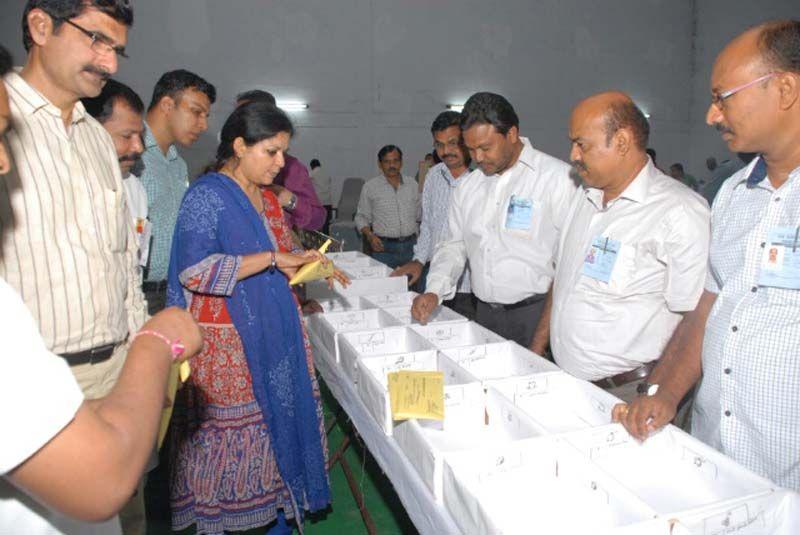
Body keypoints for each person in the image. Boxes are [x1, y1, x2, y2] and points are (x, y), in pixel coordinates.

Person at [618, 19, 800, 492]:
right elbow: (709, 307)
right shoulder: (733, 194)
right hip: (716, 458)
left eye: (724, 97)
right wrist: (663, 392)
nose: (711, 116)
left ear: (784, 89)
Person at [167, 101, 342, 534]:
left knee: (273, 434)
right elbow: (195, 270)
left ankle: (274, 515)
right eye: (272, 152)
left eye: (284, 152)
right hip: (229, 350)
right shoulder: (207, 195)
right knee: (236, 444)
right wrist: (269, 258)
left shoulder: (265, 198)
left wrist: (308, 263)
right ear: (240, 146)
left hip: (275, 333)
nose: (281, 164)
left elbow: (283, 256)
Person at [1, 0, 148, 400]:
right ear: (41, 26)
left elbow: (123, 259)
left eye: (116, 50)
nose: (110, 64)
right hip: (27, 384)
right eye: (97, 40)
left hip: (117, 368)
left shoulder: (98, 139)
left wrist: (139, 347)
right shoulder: (3, 120)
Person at [530, 92, 710, 403]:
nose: (572, 154)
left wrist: (657, 393)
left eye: (581, 144)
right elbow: (563, 281)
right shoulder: (582, 200)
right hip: (567, 381)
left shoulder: (679, 211)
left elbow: (694, 319)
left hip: (632, 393)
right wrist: (537, 348)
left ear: (622, 141)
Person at [411, 92, 575, 346]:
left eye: (485, 148)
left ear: (511, 134)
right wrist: (434, 290)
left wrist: (544, 336)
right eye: (471, 149)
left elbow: (571, 261)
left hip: (537, 315)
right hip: (485, 314)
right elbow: (453, 245)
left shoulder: (557, 179)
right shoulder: (469, 187)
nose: (477, 158)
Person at [140, 69, 216, 314]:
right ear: (167, 104)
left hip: (170, 292)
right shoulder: (131, 155)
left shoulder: (178, 164)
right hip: (136, 292)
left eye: (206, 116)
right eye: (196, 112)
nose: (203, 125)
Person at [391, 111, 476, 317]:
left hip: (471, 288)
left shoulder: (482, 178)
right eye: (439, 145)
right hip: (435, 282)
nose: (446, 151)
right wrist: (419, 260)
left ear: (466, 140)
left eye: (453, 143)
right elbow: (428, 224)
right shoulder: (434, 175)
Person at [236, 89, 326, 231]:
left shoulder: (290, 168)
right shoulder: (225, 171)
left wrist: (289, 199)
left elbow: (317, 219)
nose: (279, 162)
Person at [82, 79, 150, 269]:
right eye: (127, 136)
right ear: (90, 129)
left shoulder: (134, 188)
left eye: (140, 136)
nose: (139, 147)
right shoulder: (65, 185)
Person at [355, 144, 420, 268]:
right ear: (380, 164)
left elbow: (421, 214)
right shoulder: (370, 187)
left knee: (411, 285)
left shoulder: (413, 185)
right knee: (384, 286)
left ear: (401, 162)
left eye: (395, 161)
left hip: (411, 247)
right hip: (383, 249)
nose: (392, 165)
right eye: (387, 162)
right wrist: (370, 236)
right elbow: (361, 217)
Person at [309, 158, 333, 233]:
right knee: (326, 224)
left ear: (312, 166)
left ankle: (319, 242)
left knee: (317, 224)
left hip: (318, 202)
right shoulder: (326, 173)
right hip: (328, 202)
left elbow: (304, 180)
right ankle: (327, 241)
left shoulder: (313, 173)